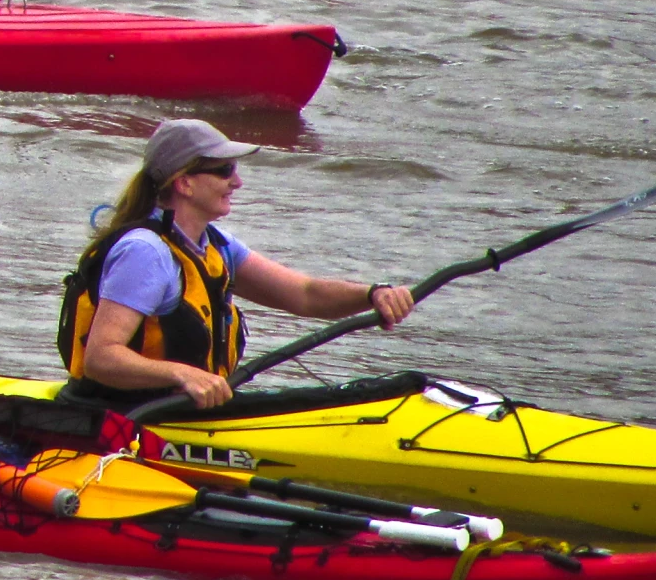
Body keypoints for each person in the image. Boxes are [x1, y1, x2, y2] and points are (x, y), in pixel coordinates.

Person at [58, 119, 415, 410]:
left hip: (188, 412)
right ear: (184, 183)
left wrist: (373, 294)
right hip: (131, 417)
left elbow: (305, 294)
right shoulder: (145, 253)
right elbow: (101, 358)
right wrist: (183, 375)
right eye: (224, 170)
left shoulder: (215, 245)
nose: (237, 181)